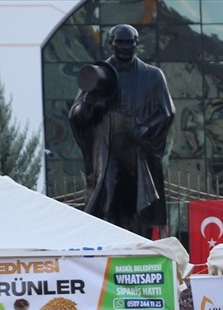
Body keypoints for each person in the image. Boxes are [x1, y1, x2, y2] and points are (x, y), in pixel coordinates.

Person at [68, 23, 174, 236]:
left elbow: (167, 112)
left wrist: (146, 128)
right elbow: (76, 116)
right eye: (120, 42)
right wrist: (88, 102)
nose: (125, 47)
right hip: (108, 155)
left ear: (136, 44)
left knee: (138, 210)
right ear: (111, 43)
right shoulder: (97, 75)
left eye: (129, 42)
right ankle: (109, 251)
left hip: (137, 154)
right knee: (106, 207)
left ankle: (140, 252)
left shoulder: (152, 76)